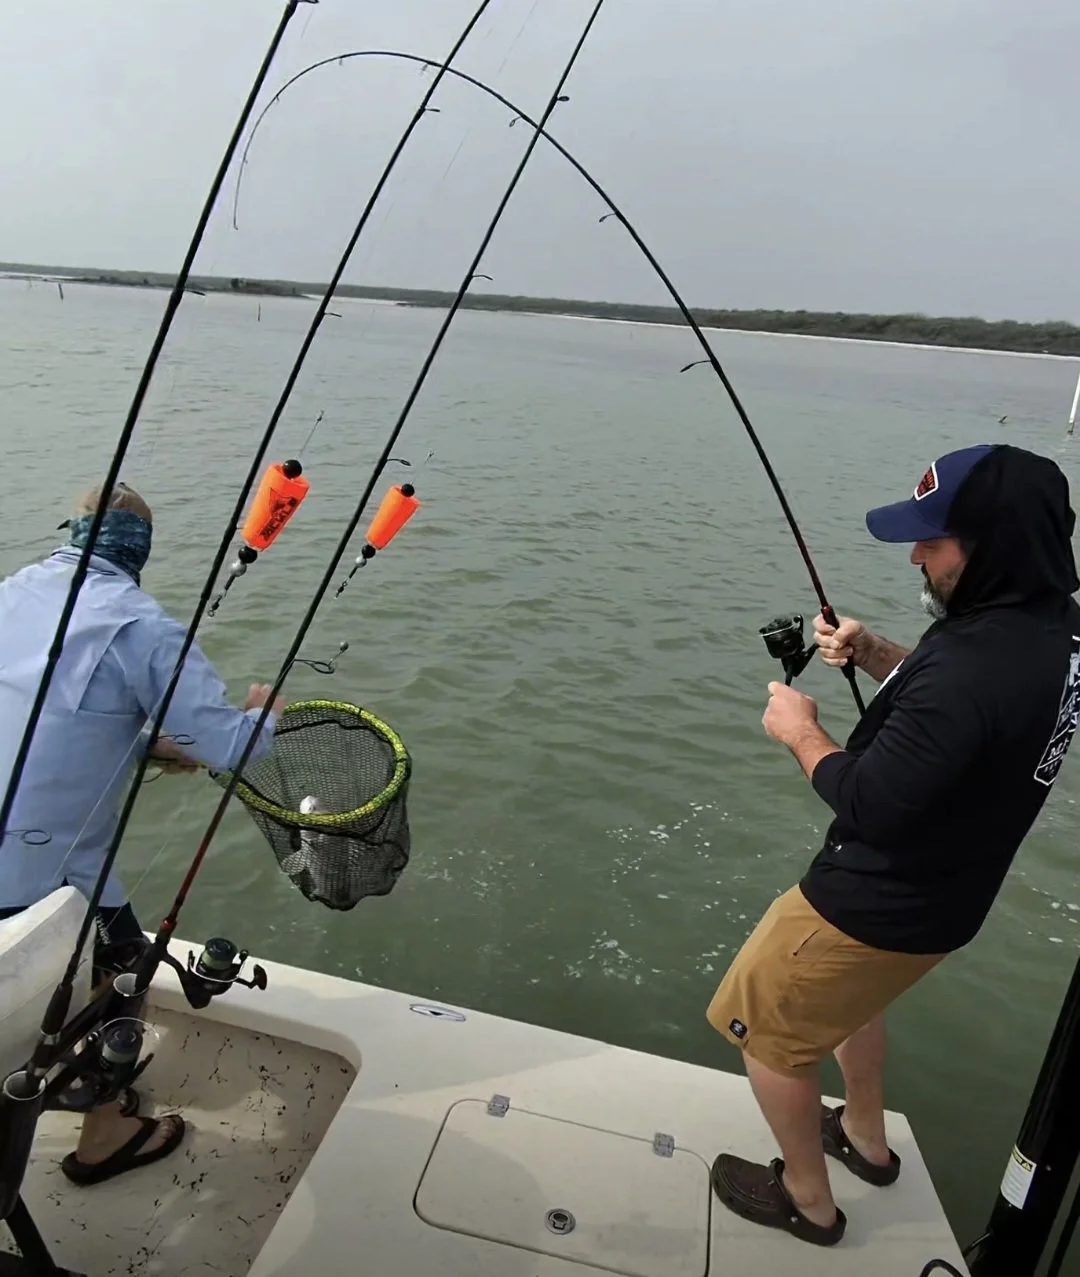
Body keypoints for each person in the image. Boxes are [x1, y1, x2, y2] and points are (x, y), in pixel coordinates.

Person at [704, 443, 1080, 1246]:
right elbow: (973, 722)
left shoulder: (972, 665)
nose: (916, 556)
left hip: (871, 898)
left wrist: (801, 733)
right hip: (950, 901)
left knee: (761, 1026)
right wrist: (876, 654)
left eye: (932, 541)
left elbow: (871, 801)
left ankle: (808, 1199)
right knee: (852, 1002)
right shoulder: (1053, 633)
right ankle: (866, 1140)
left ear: (992, 546)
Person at [0, 482, 284, 1185]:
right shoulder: (142, 626)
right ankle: (105, 1135)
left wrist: (142, 743)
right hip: (42, 879)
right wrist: (262, 713)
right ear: (141, 550)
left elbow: (46, 716)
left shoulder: (11, 593)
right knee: (125, 969)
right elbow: (233, 749)